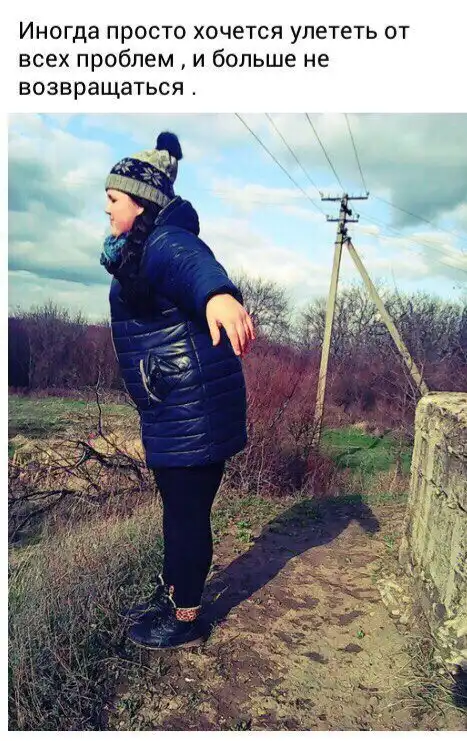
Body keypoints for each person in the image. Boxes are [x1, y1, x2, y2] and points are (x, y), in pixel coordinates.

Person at [100, 131, 255, 650]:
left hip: (193, 413)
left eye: (113, 198)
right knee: (180, 512)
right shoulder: (140, 249)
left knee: (185, 518)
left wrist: (218, 297)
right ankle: (174, 596)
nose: (106, 208)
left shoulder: (166, 242)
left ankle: (185, 618)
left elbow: (196, 267)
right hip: (178, 408)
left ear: (141, 202)